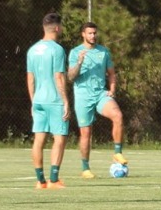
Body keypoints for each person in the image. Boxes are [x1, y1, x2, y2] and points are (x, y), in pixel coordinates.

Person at [67, 22, 127, 178]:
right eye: (89, 33)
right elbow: (71, 77)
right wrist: (79, 62)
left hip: (100, 94)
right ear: (83, 34)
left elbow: (112, 74)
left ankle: (117, 152)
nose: (93, 36)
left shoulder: (103, 52)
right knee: (86, 133)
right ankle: (85, 169)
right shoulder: (75, 52)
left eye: (94, 33)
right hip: (83, 97)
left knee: (118, 116)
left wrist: (112, 90)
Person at [26, 14, 71, 190]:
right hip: (54, 100)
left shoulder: (32, 50)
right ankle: (53, 179)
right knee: (59, 138)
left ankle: (40, 181)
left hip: (38, 100)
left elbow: (30, 78)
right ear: (57, 28)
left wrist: (32, 101)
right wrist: (66, 101)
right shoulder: (57, 50)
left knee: (39, 139)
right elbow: (59, 76)